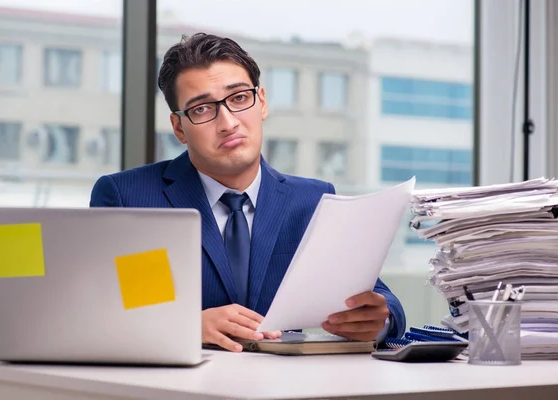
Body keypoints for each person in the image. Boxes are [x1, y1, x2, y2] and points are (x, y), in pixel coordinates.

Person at [90, 32, 406, 352]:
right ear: (179, 128)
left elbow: (381, 299)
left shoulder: (312, 201)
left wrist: (380, 320)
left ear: (262, 102)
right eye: (201, 109)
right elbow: (96, 311)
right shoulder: (129, 197)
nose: (228, 123)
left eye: (239, 98)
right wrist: (183, 323)